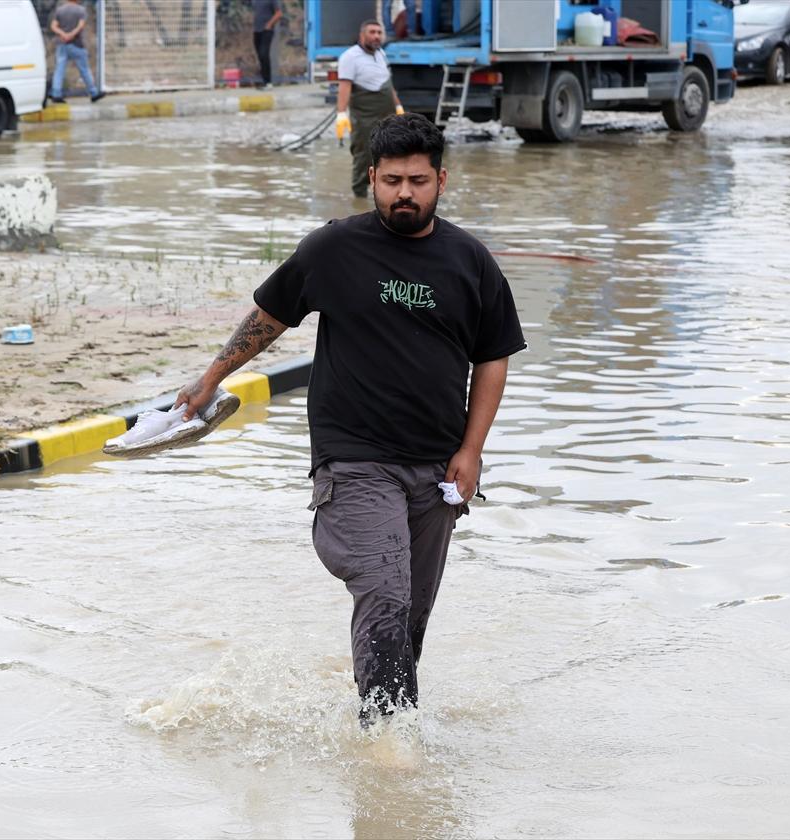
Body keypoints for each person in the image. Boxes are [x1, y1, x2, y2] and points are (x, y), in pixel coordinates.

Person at [175, 114, 526, 723]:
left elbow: (492, 359)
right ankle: (389, 748)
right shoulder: (335, 248)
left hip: (436, 469)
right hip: (355, 461)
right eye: (391, 181)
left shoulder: (470, 262)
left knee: (409, 617)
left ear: (441, 180)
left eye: (418, 180)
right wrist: (210, 380)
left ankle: (385, 740)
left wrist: (471, 452)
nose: (404, 194)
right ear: (371, 179)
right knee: (385, 595)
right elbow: (270, 316)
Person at [334, 20, 405, 199]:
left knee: (389, 154)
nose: (376, 36)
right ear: (362, 35)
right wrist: (341, 113)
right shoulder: (349, 57)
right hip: (365, 116)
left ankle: (382, 194)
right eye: (372, 32)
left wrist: (398, 106)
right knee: (364, 155)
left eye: (379, 33)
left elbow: (388, 84)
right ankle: (359, 196)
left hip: (386, 114)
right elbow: (344, 86)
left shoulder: (381, 53)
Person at [49, 0, 104, 104]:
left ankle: (56, 94)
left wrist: (63, 34)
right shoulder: (81, 10)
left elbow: (53, 26)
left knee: (59, 69)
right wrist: (71, 35)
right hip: (76, 44)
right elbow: (81, 26)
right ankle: (93, 93)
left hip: (62, 44)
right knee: (84, 69)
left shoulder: (60, 10)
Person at [251, 0, 283, 89]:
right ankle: (264, 81)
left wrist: (269, 24)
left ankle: (268, 82)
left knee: (264, 54)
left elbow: (279, 13)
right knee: (260, 56)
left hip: (266, 31)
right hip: (257, 30)